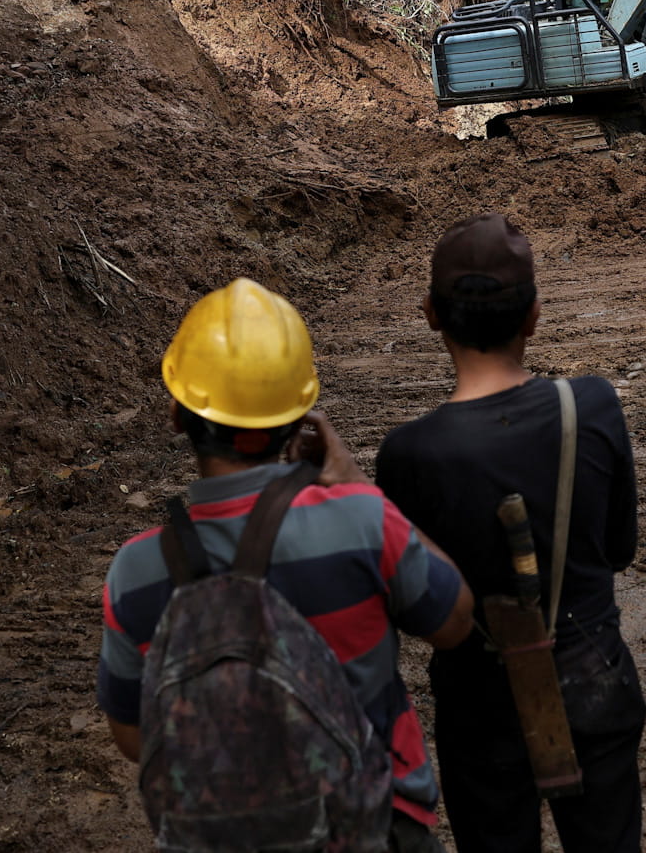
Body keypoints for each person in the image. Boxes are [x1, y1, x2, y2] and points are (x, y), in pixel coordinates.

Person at [97, 278, 475, 852]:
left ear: (178, 414)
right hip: (375, 827)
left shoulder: (135, 572)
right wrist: (358, 485)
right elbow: (454, 621)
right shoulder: (361, 520)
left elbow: (133, 736)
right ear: (299, 416)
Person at [374, 214, 646, 853]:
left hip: (479, 706)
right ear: (533, 316)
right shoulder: (592, 406)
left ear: (431, 315)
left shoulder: (409, 454)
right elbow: (621, 548)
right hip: (594, 680)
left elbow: (415, 604)